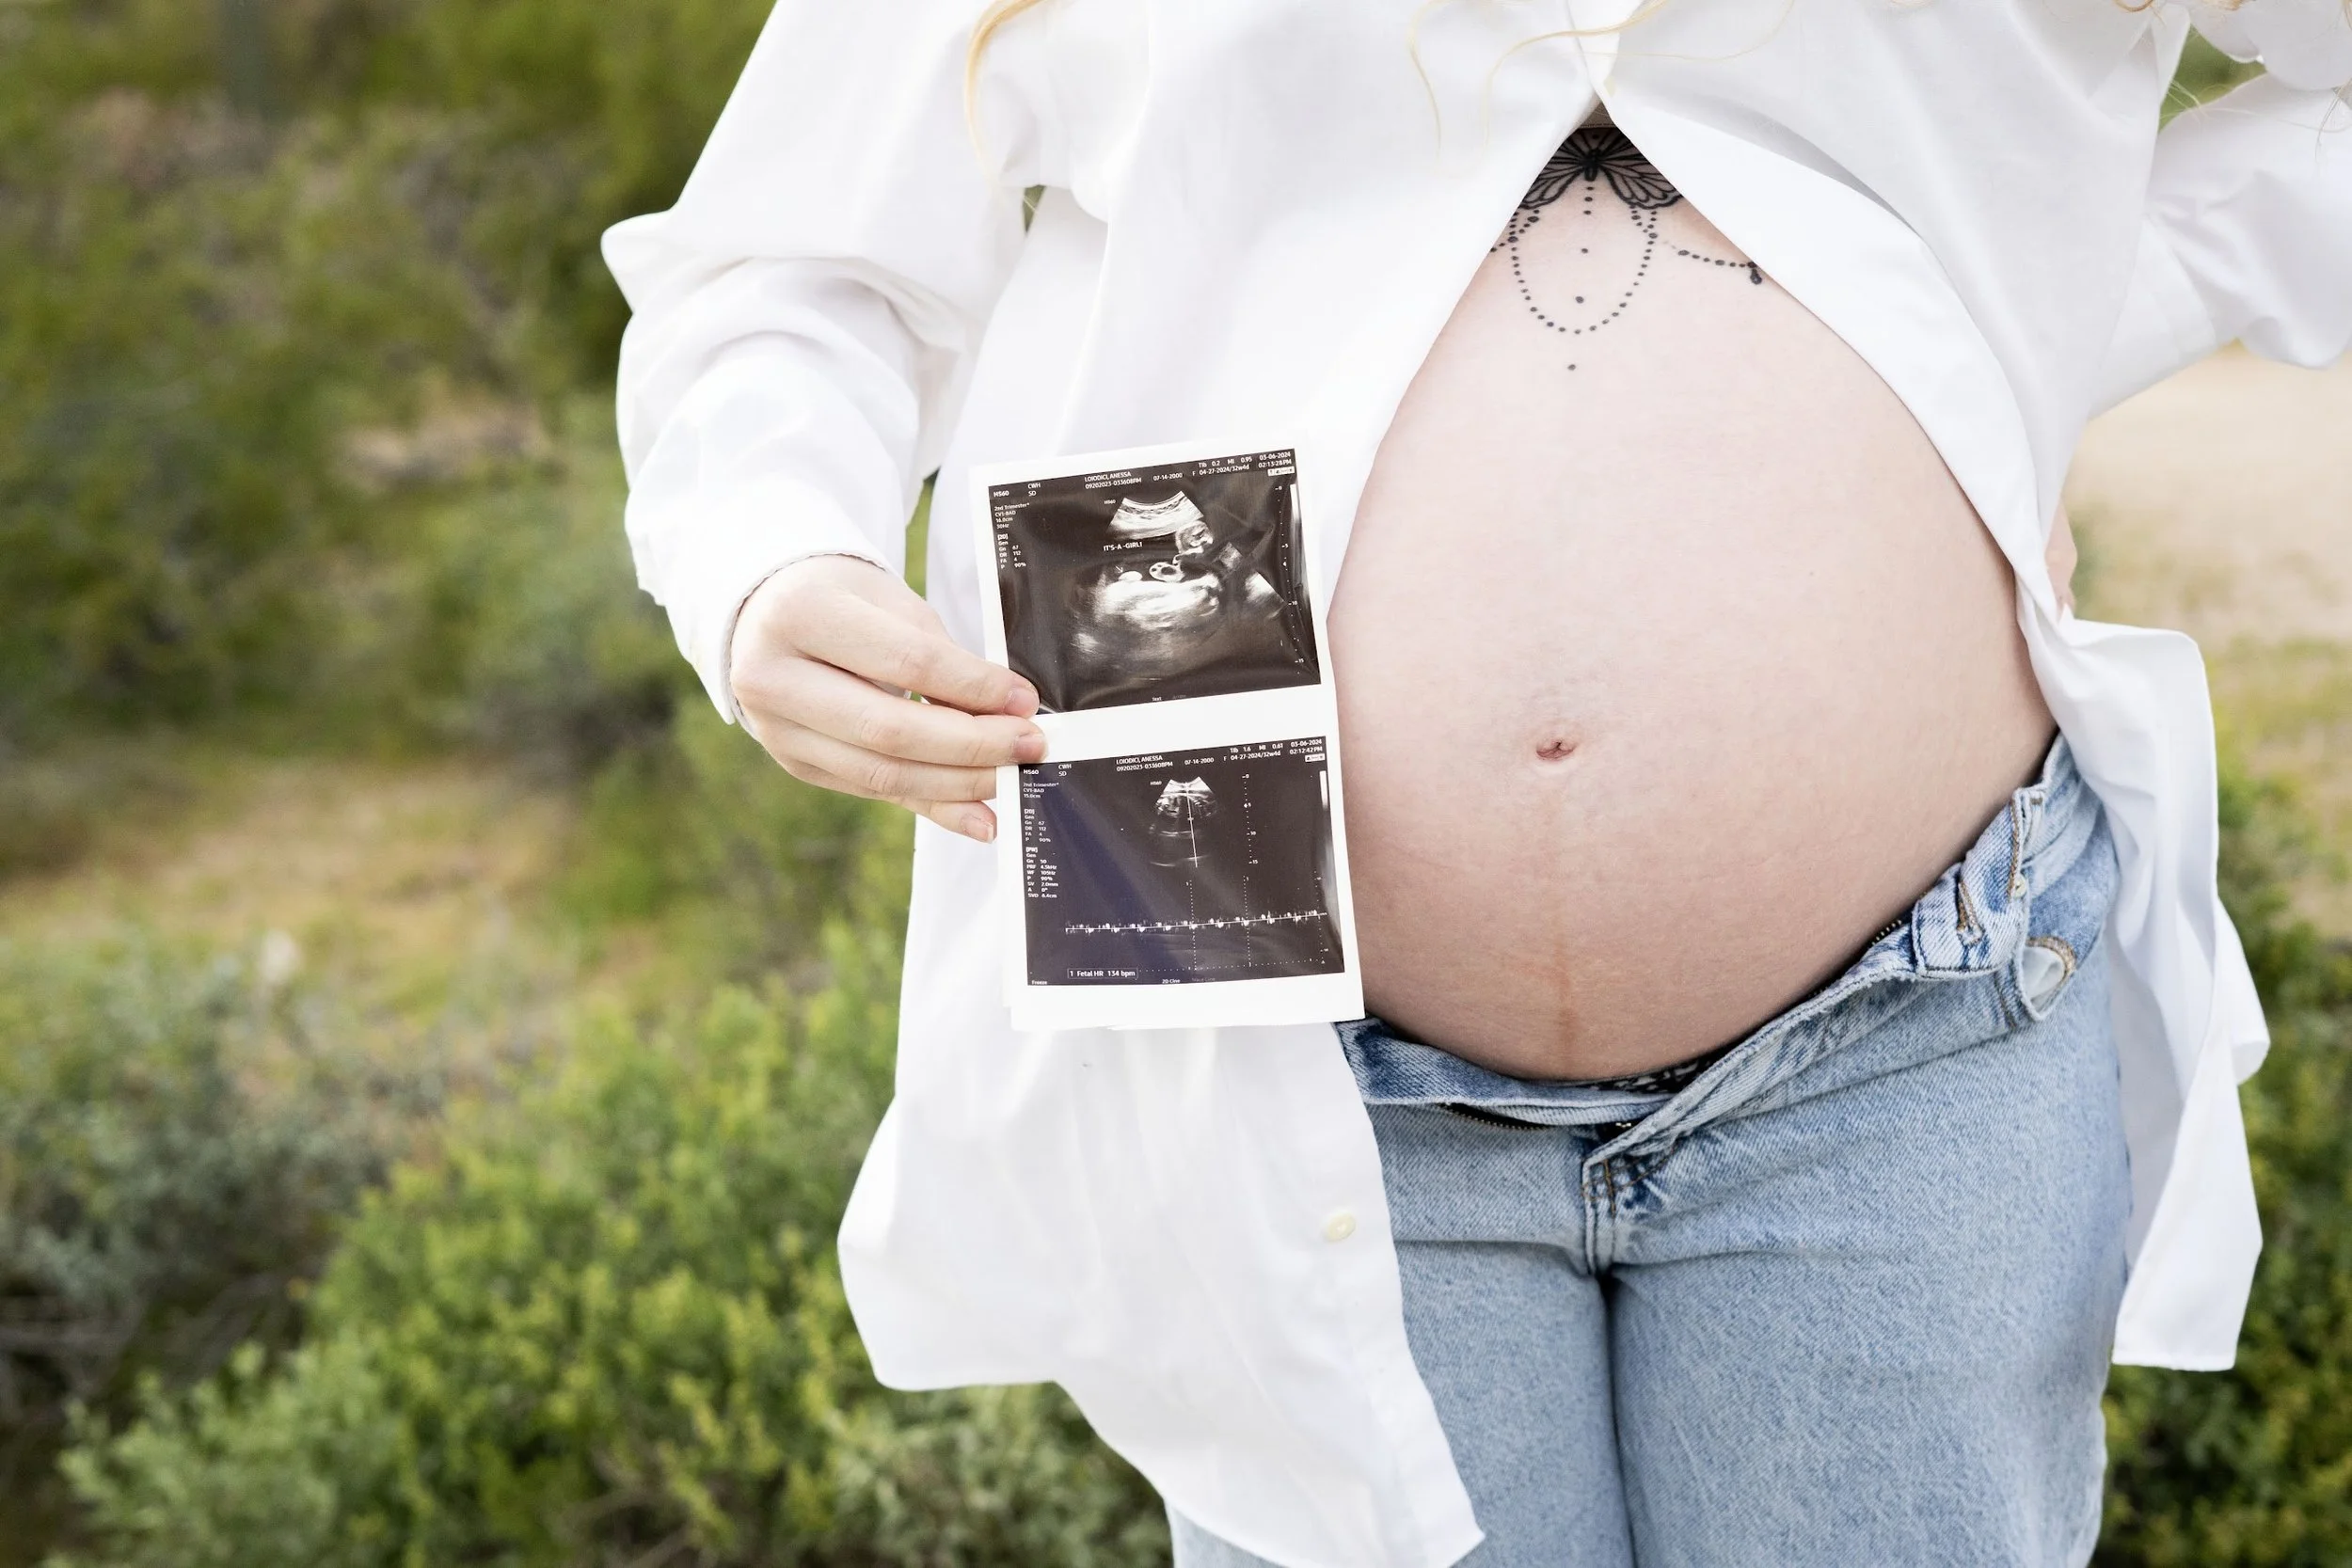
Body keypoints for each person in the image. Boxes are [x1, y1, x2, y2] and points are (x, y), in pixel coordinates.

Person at [601, 0, 2352, 1561]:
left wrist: (2074, 298)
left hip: (1917, 1002)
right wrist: (769, 545)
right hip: (1220, 921)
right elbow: (785, 266)